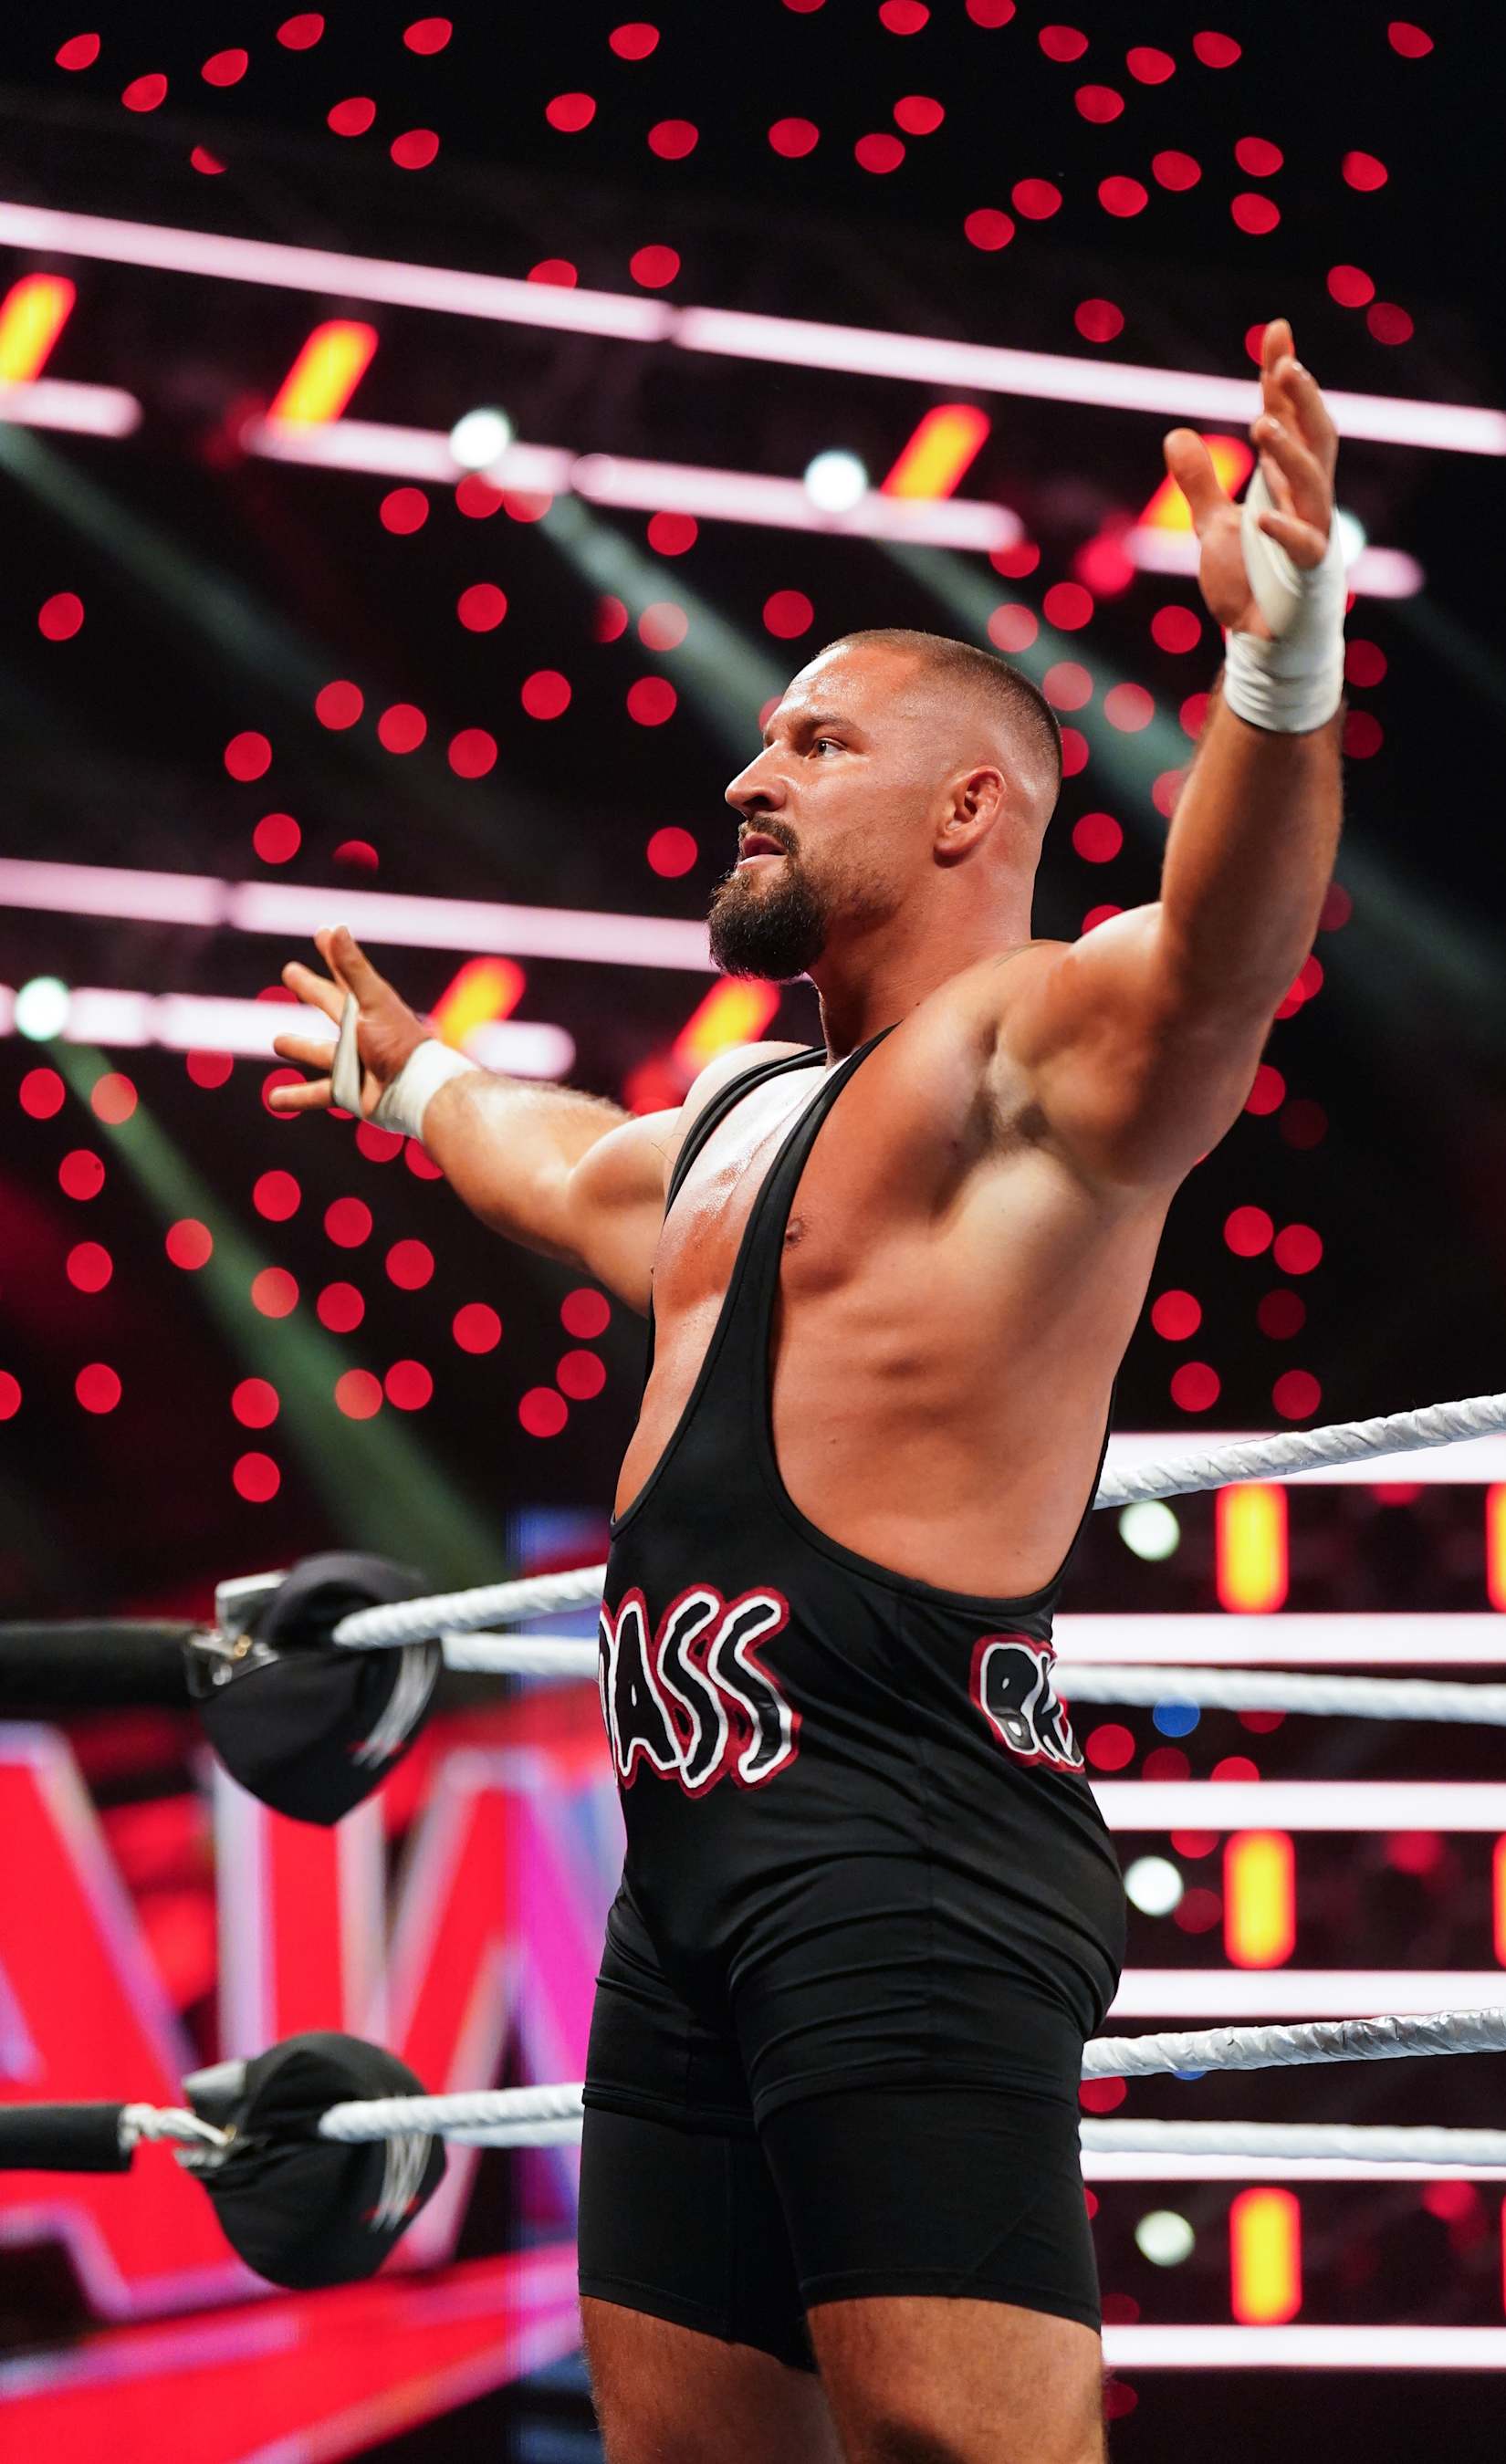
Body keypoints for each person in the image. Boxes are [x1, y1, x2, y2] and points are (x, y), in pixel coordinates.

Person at [271, 317, 1344, 2464]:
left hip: (903, 1845)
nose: (748, 778)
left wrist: (1281, 668)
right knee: (684, 2452)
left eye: (816, 744)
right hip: (684, 1871)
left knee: (961, 2449)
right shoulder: (743, 1115)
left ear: (969, 808)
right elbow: (562, 1169)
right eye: (766, 740)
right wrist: (424, 1080)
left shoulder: (1035, 1060)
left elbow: (1222, 954)